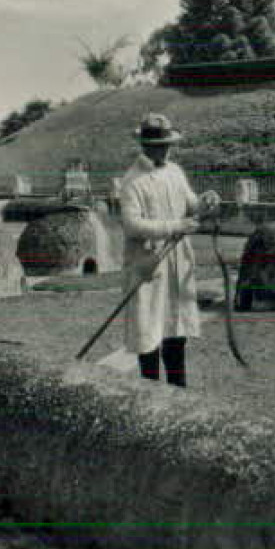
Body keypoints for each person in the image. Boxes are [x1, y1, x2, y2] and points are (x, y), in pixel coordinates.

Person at [116, 113, 220, 387]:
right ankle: (148, 395)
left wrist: (205, 202)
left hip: (177, 261)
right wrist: (176, 226)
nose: (166, 149)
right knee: (148, 332)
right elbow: (132, 225)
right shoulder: (133, 180)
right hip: (147, 265)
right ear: (146, 146)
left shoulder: (174, 171)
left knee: (175, 329)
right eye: (160, 145)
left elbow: (191, 205)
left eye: (168, 144)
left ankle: (179, 394)